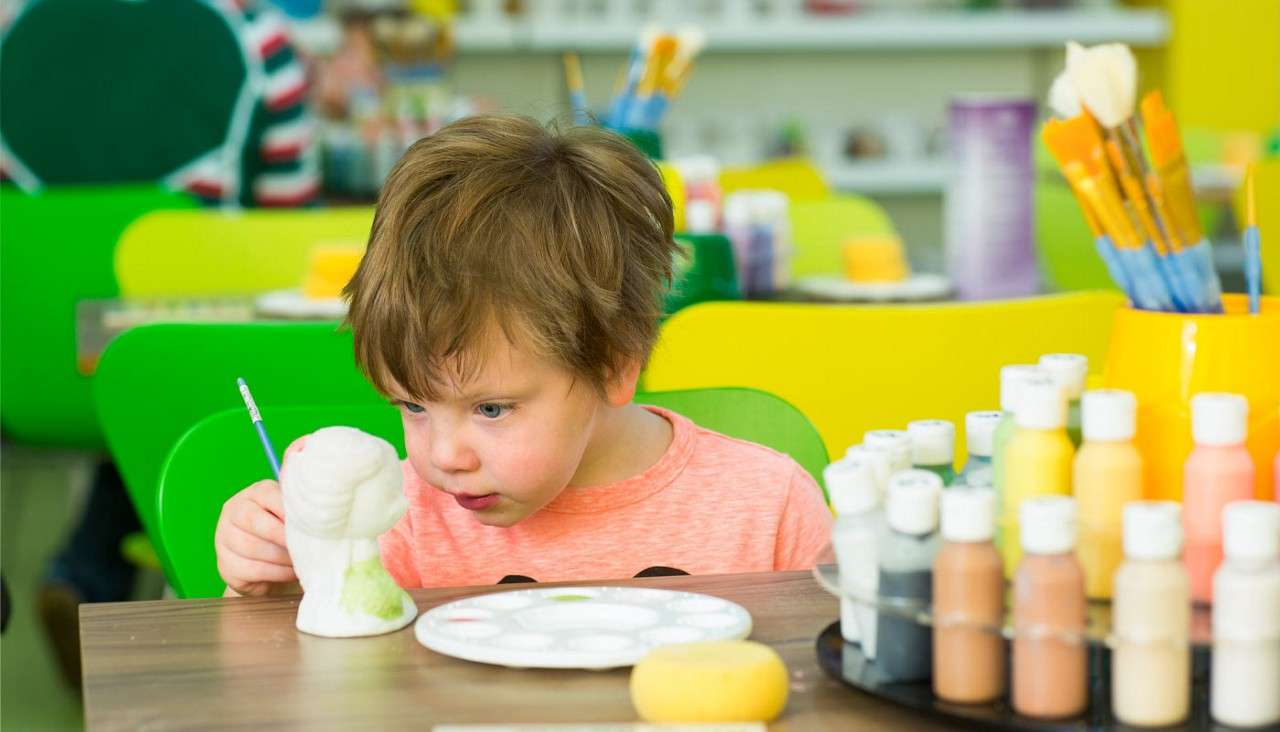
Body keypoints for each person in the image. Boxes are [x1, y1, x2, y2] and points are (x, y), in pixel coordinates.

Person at [215, 115, 832, 594]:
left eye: (490, 410)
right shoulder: (393, 520)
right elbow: (310, 681)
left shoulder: (767, 509)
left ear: (614, 364)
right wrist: (276, 580)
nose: (441, 457)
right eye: (412, 404)